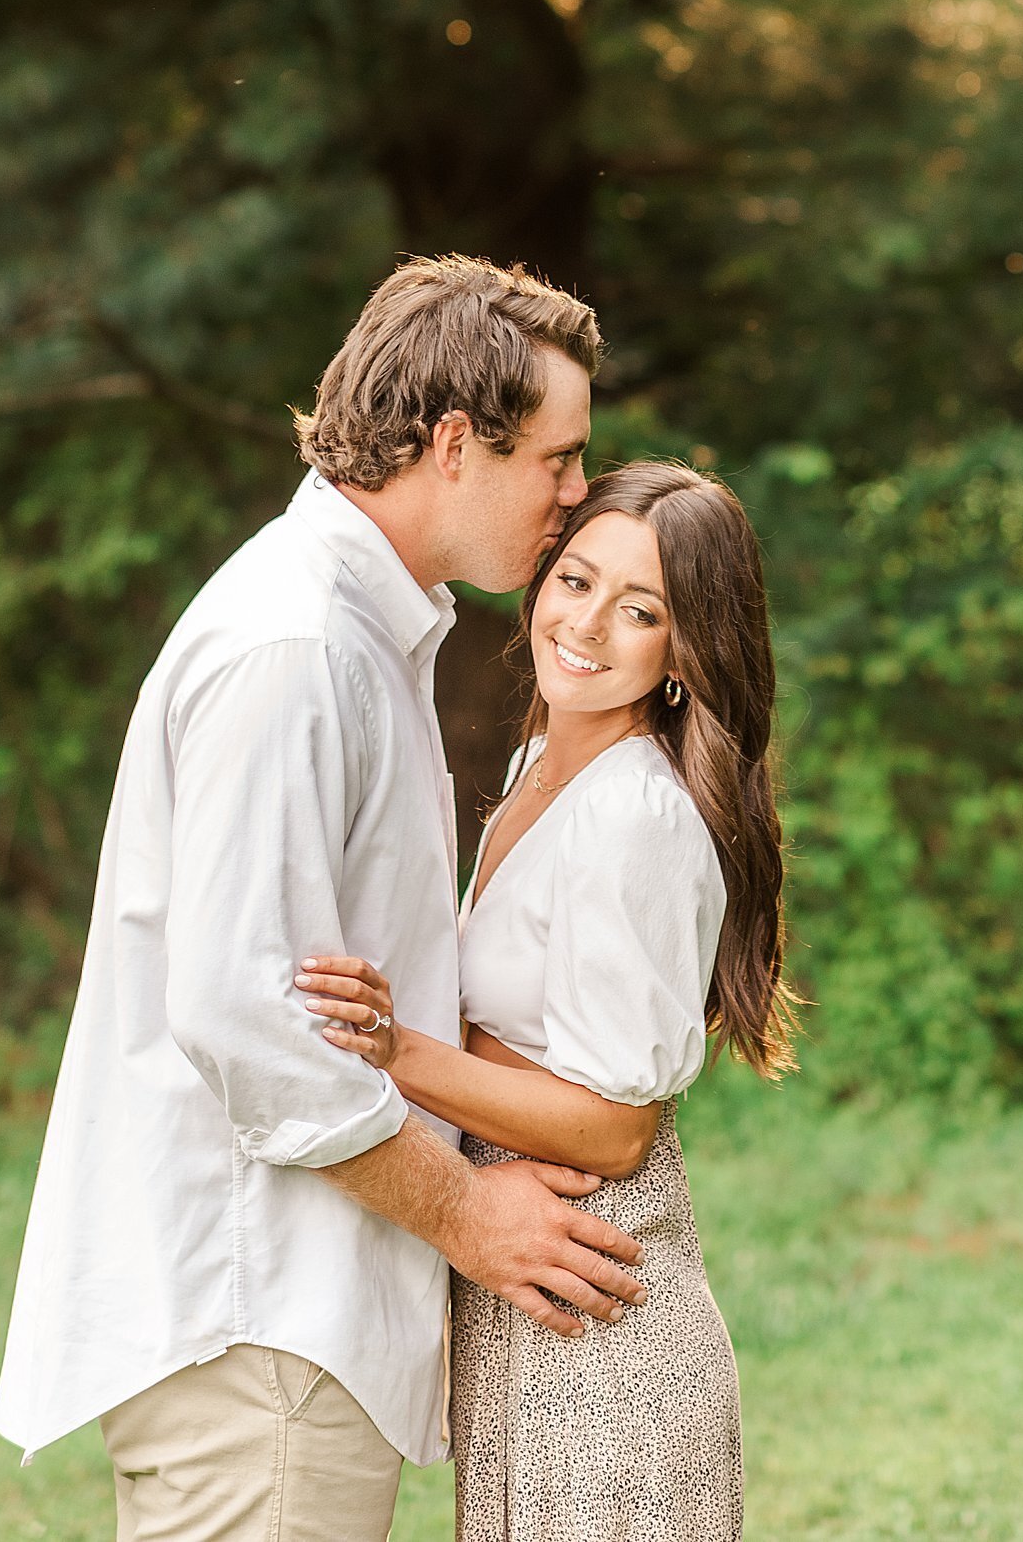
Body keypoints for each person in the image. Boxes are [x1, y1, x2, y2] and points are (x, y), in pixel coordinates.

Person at [0, 253, 648, 1542]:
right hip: (257, 1325)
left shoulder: (361, 628)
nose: (574, 495)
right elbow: (246, 1014)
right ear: (456, 441)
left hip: (285, 1332)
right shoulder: (294, 646)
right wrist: (468, 1213)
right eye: (558, 458)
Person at [295, 458, 797, 1542]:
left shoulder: (637, 815)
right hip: (525, 1275)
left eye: (641, 609)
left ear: (683, 648)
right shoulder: (536, 766)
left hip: (601, 1298)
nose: (588, 624)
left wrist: (395, 1048)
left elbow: (615, 1129)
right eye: (576, 579)